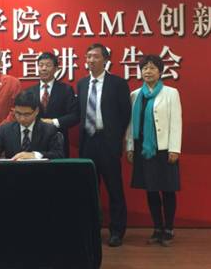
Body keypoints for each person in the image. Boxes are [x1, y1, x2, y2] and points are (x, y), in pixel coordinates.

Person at [77, 43, 131, 247]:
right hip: (88, 142)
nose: (91, 60)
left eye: (96, 56)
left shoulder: (118, 83)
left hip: (107, 142)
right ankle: (93, 229)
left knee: (114, 188)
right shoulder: (82, 84)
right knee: (90, 189)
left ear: (106, 60)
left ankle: (117, 231)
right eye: (88, 56)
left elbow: (125, 114)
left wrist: (115, 137)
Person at [126, 55, 182, 246]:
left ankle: (169, 229)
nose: (148, 72)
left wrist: (174, 148)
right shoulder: (135, 95)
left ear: (160, 72)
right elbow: (131, 124)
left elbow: (176, 122)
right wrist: (130, 146)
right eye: (144, 68)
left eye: (152, 68)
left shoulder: (170, 93)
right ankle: (157, 228)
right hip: (143, 149)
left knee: (167, 190)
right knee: (150, 190)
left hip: (163, 149)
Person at [0, 90, 64, 160]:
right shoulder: (5, 130)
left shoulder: (49, 130)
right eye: (18, 113)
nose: (22, 119)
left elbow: (58, 155)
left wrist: (36, 155)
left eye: (27, 114)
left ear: (36, 111)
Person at [28, 52, 78, 157]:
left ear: (56, 69)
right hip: (35, 142)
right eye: (41, 65)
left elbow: (75, 116)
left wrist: (54, 122)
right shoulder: (30, 91)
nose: (44, 68)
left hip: (58, 141)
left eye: (48, 65)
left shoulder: (66, 89)